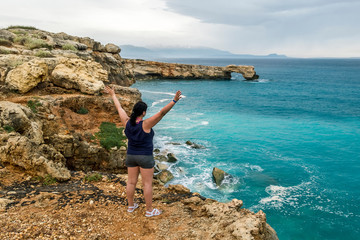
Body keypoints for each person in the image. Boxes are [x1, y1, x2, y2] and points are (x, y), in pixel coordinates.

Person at [104, 86, 182, 217]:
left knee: (131, 182)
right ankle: (149, 210)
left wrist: (113, 95)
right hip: (145, 157)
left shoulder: (127, 122)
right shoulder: (146, 124)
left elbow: (119, 108)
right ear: (144, 113)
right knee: (147, 184)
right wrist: (174, 101)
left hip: (131, 156)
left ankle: (130, 206)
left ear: (134, 111)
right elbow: (162, 113)